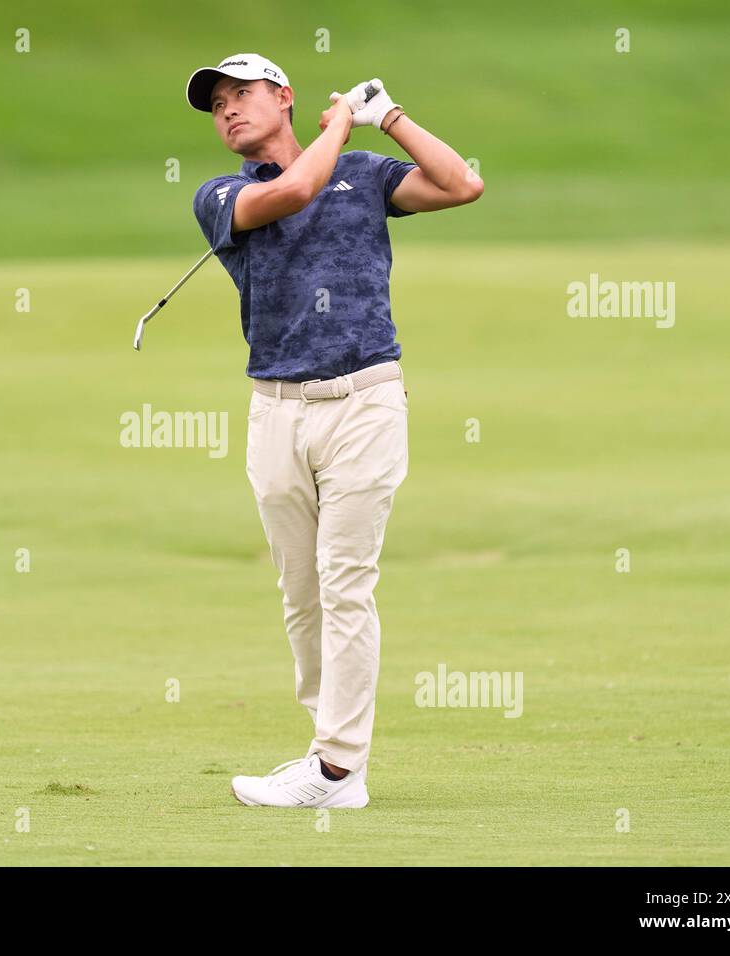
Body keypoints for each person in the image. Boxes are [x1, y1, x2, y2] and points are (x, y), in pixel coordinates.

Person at [187, 53, 484, 808]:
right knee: (302, 593)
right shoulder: (221, 194)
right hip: (276, 410)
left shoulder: (363, 172)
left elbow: (462, 184)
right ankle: (334, 761)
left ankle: (335, 768)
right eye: (216, 104)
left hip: (366, 400)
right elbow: (295, 189)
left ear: (283, 98)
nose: (227, 110)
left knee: (345, 583)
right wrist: (344, 121)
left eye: (241, 94)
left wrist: (389, 116)